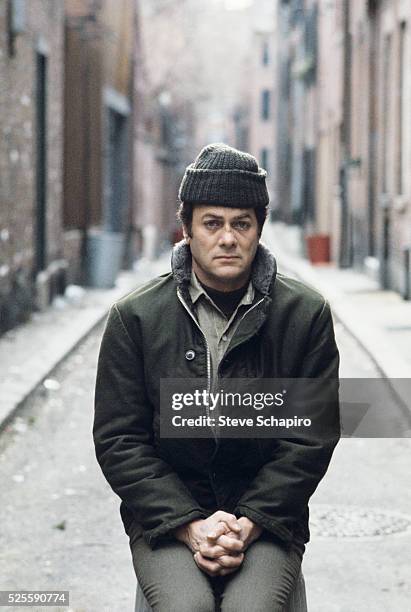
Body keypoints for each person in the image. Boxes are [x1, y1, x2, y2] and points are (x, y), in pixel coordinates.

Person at [93, 143, 340, 611]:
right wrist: (190, 526)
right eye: (212, 223)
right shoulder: (136, 317)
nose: (227, 238)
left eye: (241, 223)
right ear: (186, 229)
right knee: (187, 607)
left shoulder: (305, 316)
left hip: (267, 518)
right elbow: (119, 440)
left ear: (259, 229)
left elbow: (311, 439)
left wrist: (248, 523)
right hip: (165, 518)